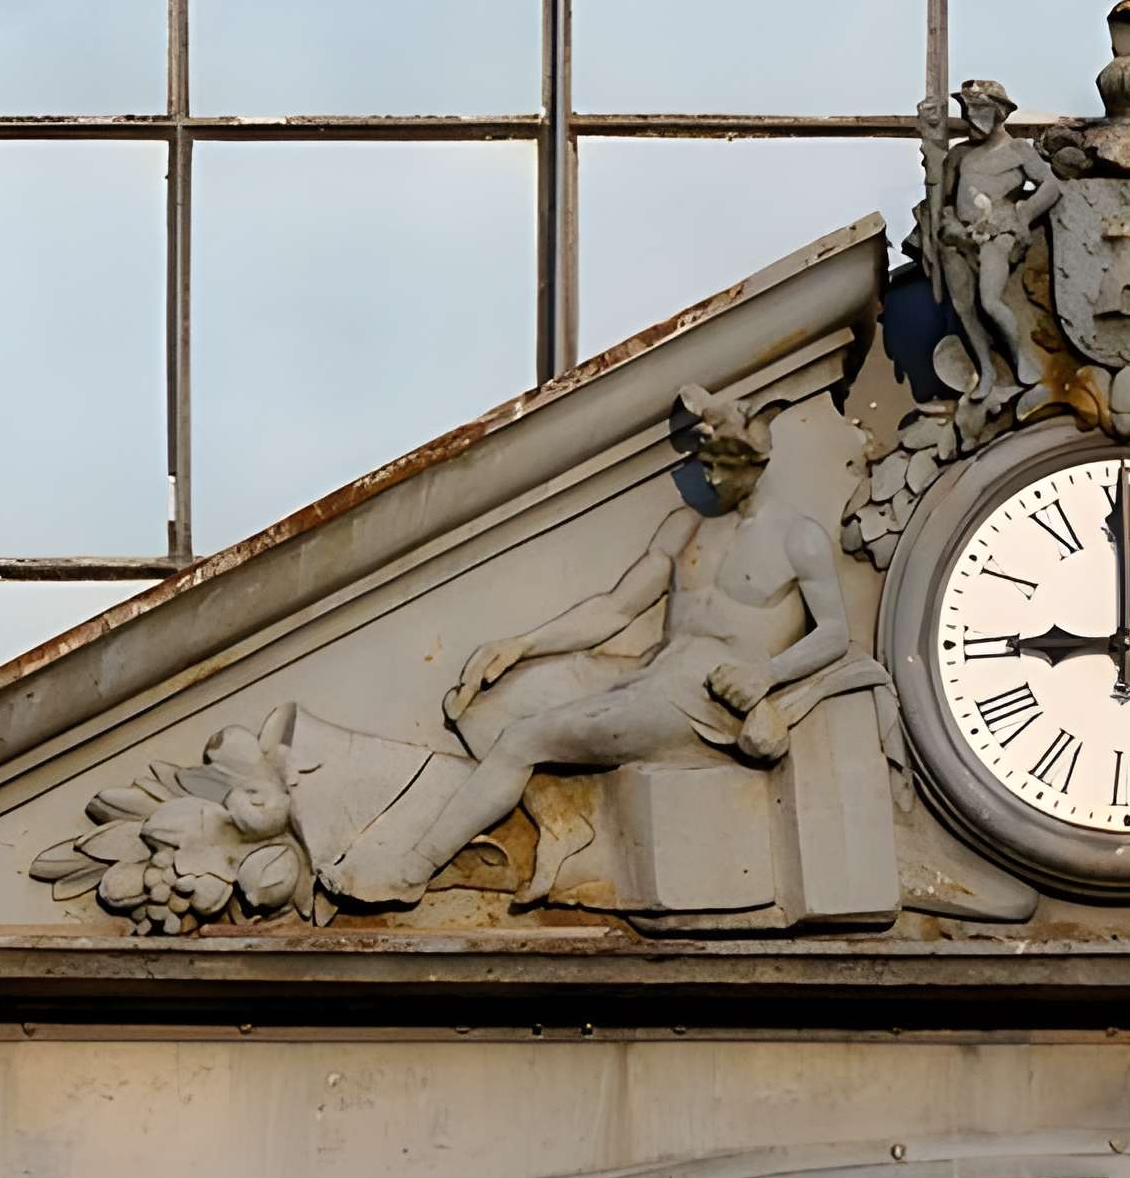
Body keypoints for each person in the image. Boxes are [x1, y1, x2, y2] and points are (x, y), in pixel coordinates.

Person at [326, 387, 855, 907]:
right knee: (488, 707)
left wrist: (768, 673)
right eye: (706, 463)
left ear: (757, 463)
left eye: (724, 466)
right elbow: (616, 609)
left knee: (521, 739)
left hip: (703, 702)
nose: (711, 478)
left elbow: (834, 633)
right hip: (650, 673)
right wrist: (522, 645)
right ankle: (560, 822)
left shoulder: (797, 538)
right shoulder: (684, 528)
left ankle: (411, 870)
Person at [928, 77, 1057, 411]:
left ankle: (1021, 362)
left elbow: (1051, 186)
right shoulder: (961, 155)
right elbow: (942, 197)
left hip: (997, 237)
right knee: (964, 308)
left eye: (977, 110)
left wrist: (1021, 214)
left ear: (998, 113)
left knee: (989, 301)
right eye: (968, 111)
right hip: (957, 239)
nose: (971, 119)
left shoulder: (1018, 151)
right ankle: (986, 368)